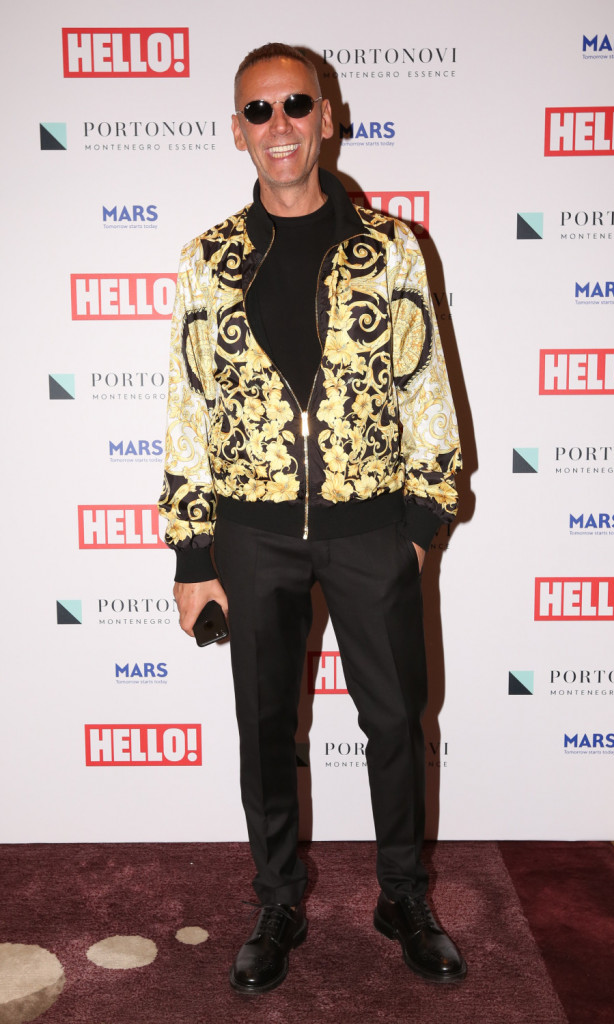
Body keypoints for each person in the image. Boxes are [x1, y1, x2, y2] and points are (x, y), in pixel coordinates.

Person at [158, 42, 465, 993]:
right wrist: (192, 552)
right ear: (236, 130)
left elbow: (425, 389)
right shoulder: (208, 260)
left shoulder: (392, 248)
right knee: (266, 728)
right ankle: (277, 900)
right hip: (251, 535)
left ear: (326, 118)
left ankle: (402, 896)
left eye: (295, 104)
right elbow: (187, 408)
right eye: (258, 110)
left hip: (371, 528)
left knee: (396, 720)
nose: (278, 124)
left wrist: (419, 519)